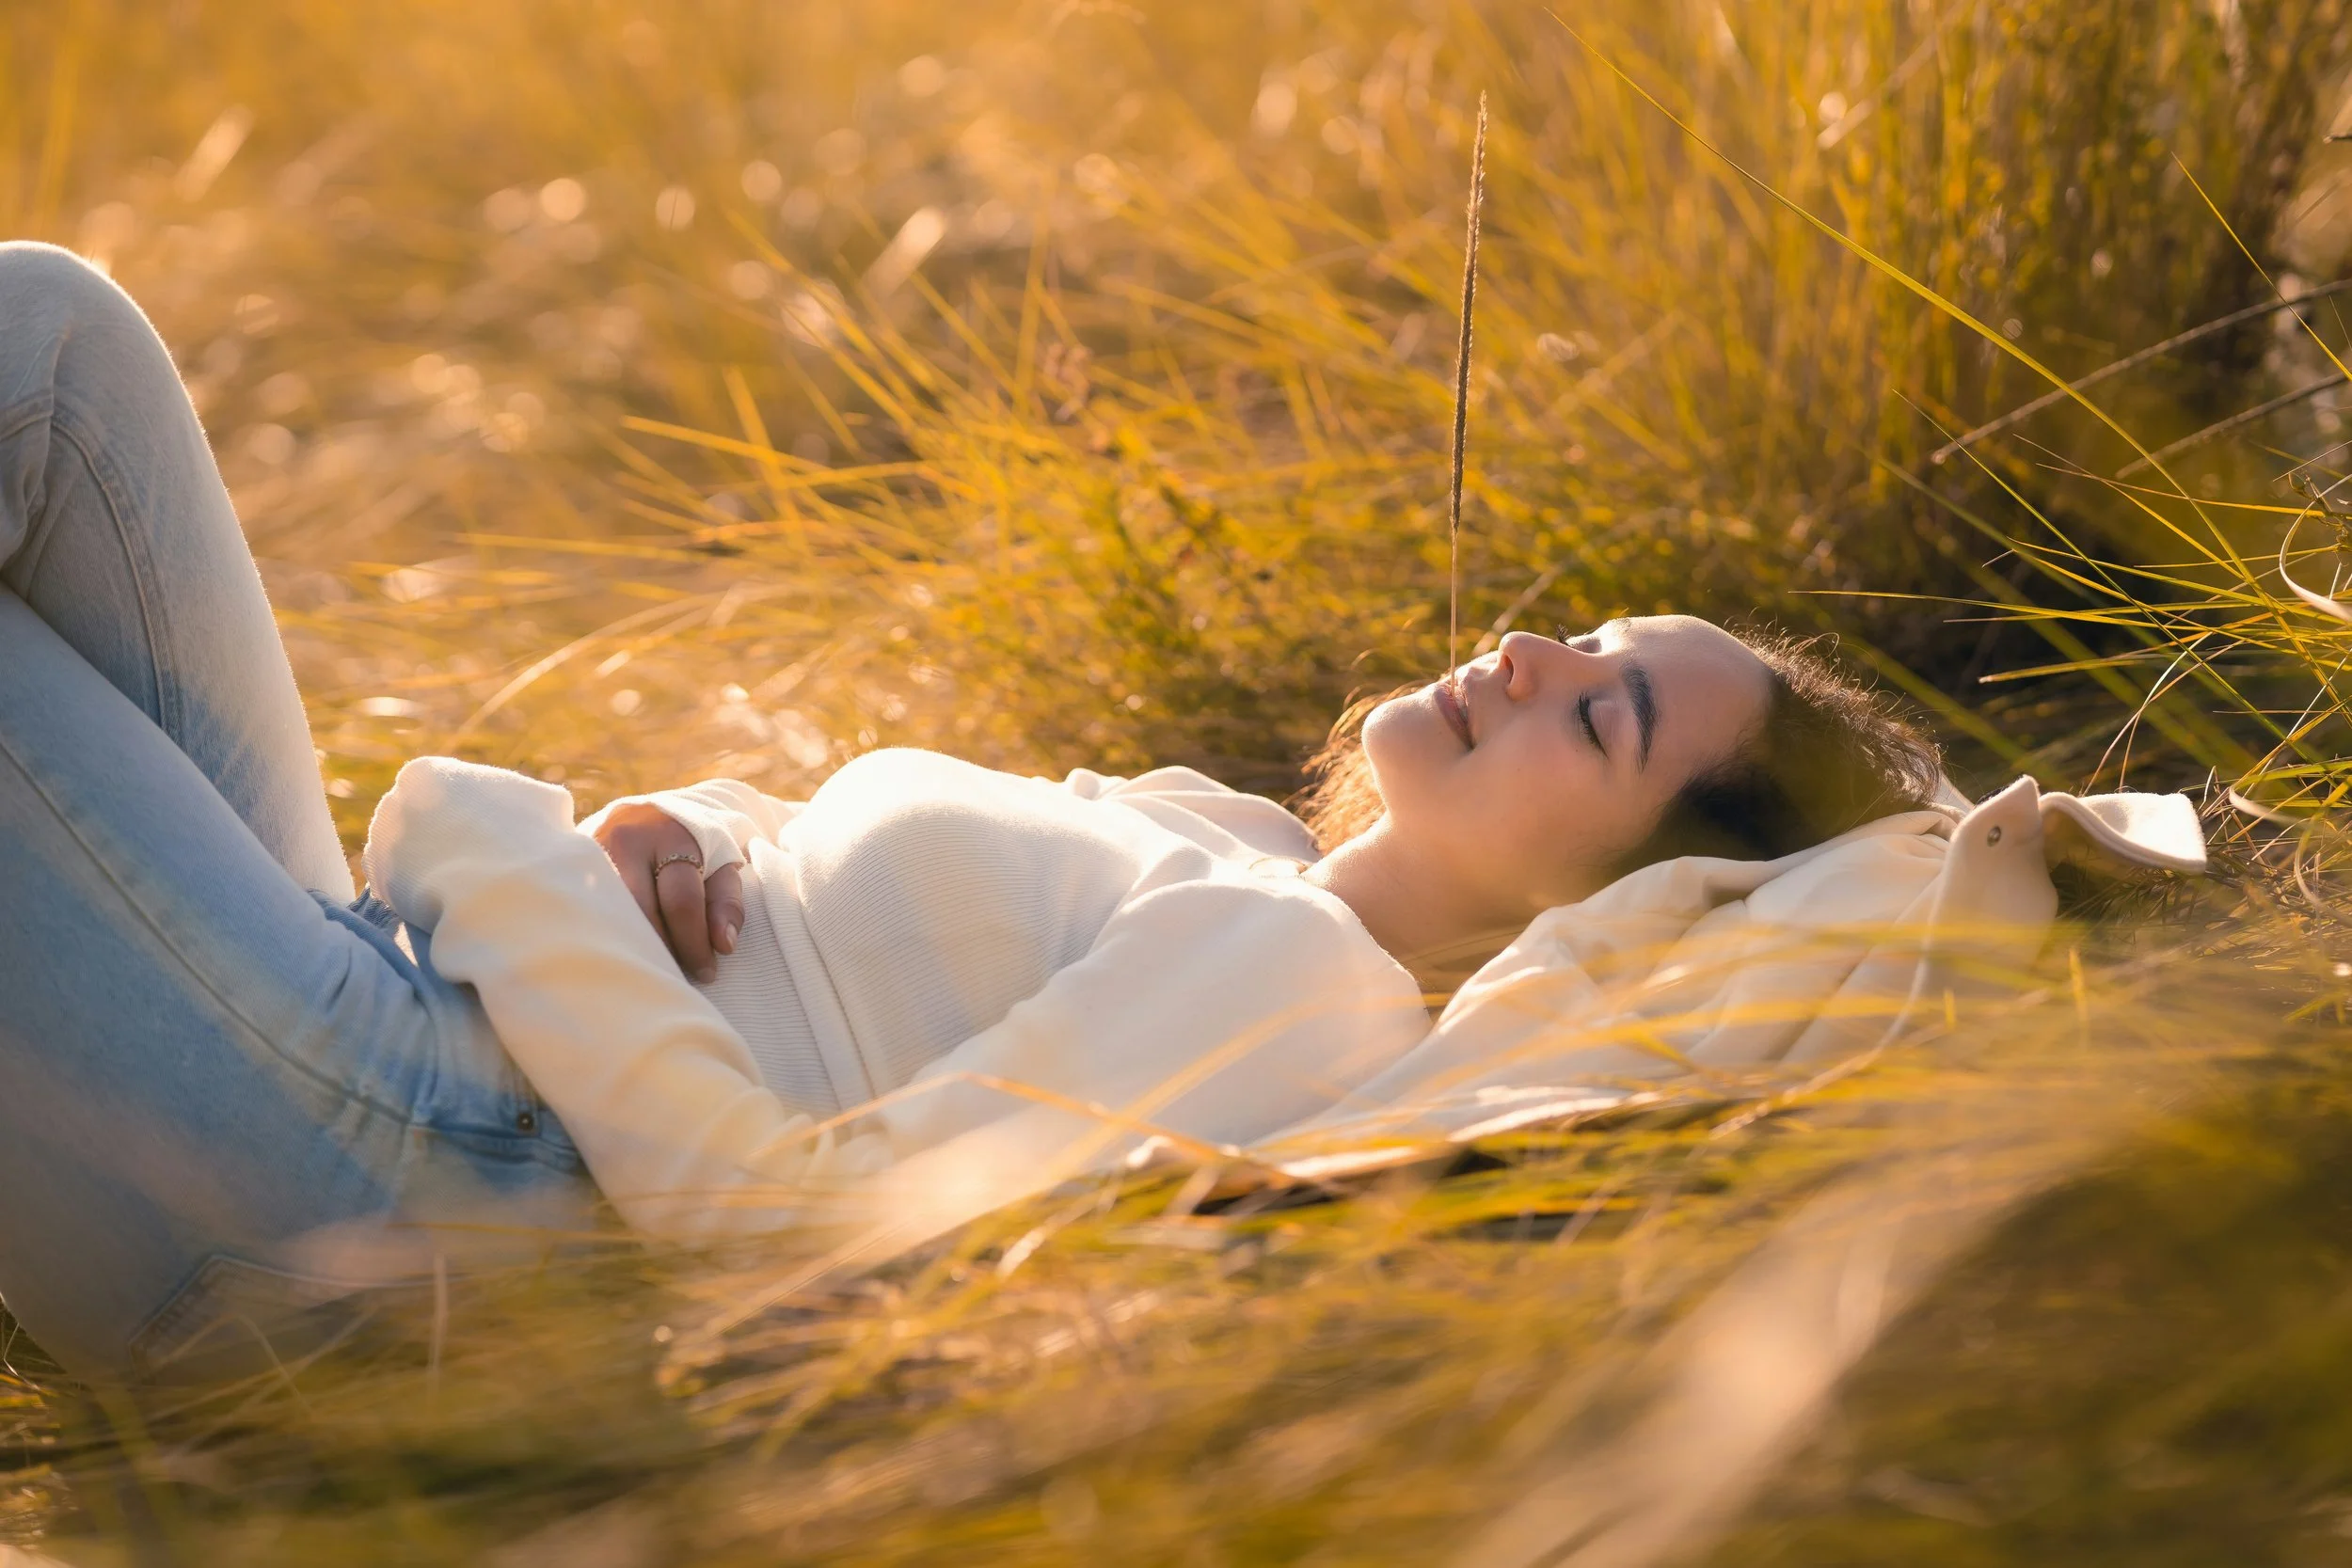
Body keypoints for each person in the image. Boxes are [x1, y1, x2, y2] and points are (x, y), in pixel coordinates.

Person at [0, 243, 1941, 1380]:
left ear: (1590, 893)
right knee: (62, 346)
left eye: (1596, 716)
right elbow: (816, 912)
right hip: (394, 1019)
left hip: (405, 1199)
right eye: (1576, 631)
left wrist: (496, 852)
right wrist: (655, 823)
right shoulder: (1229, 843)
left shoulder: (1299, 978)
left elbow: (798, 1240)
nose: (1523, 649)